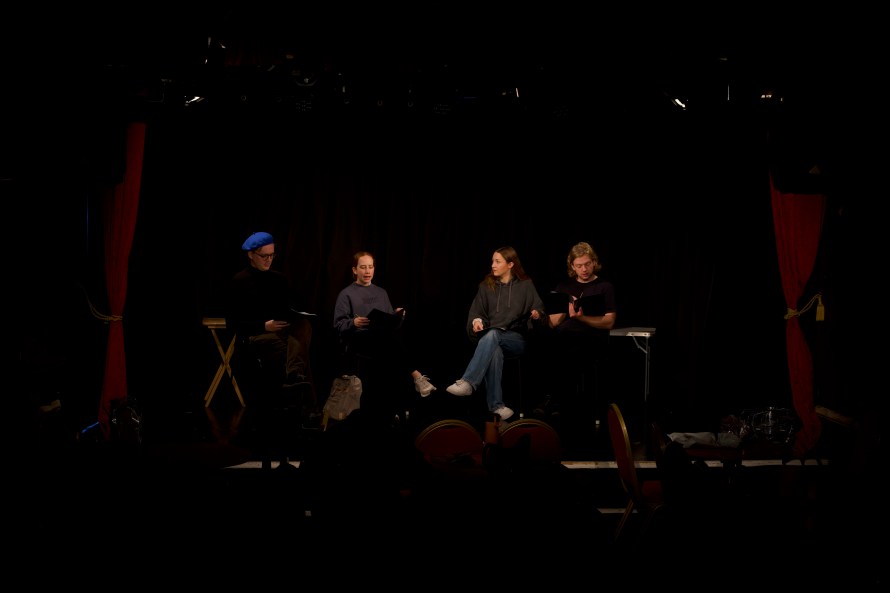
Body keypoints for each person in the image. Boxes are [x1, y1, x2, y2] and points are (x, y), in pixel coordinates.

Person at [446, 246, 546, 421]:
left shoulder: (525, 285)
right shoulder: (486, 286)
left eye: (497, 261)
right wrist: (477, 322)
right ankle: (497, 406)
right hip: (492, 340)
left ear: (510, 264)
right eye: (492, 261)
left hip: (516, 339)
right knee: (494, 348)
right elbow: (477, 313)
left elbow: (539, 310)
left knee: (492, 335)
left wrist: (537, 314)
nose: (493, 265)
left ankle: (469, 381)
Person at [333, 251, 437, 415]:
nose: (367, 271)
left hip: (382, 339)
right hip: (360, 339)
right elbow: (338, 325)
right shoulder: (346, 294)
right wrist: (353, 322)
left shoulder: (381, 292)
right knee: (391, 346)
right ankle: (416, 376)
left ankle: (396, 410)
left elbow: (389, 324)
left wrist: (397, 316)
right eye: (363, 267)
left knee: (391, 346)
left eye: (370, 267)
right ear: (355, 270)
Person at [536, 241, 616, 421]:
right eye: (579, 266)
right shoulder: (564, 287)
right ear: (572, 266)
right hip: (564, 336)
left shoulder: (605, 287)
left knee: (565, 348)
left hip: (592, 337)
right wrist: (564, 307)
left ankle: (554, 400)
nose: (584, 269)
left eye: (587, 264)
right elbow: (553, 323)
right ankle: (557, 401)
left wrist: (581, 318)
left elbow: (609, 322)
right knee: (548, 344)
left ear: (594, 262)